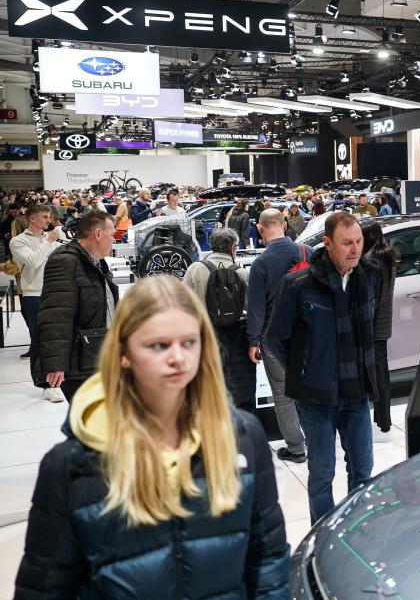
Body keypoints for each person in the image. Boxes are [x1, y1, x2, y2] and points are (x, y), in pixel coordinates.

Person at [14, 275, 290, 599]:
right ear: (124, 353)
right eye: (159, 345)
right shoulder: (70, 466)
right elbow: (43, 588)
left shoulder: (243, 438)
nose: (178, 357)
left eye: (189, 342)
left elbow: (268, 563)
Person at [266, 212, 379, 523]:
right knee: (322, 473)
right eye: (347, 243)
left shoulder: (368, 277)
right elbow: (275, 338)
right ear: (327, 243)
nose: (355, 249)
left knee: (363, 470)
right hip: (316, 398)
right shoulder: (298, 284)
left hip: (357, 393)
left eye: (358, 241)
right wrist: (304, 370)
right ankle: (323, 536)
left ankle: (357, 529)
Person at [35, 211, 118, 404]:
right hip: (79, 363)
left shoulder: (93, 261)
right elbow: (55, 315)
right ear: (98, 234)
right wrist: (56, 364)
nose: (114, 240)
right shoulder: (66, 261)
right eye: (112, 235)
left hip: (95, 356)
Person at [246, 209, 307, 464]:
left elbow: (256, 308)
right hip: (307, 333)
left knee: (283, 395)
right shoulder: (307, 252)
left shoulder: (261, 264)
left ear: (260, 229)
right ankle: (318, 438)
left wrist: (253, 341)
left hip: (273, 337)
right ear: (285, 224)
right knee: (310, 389)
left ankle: (296, 448)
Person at [183, 228, 255, 413]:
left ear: (212, 245)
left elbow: (182, 306)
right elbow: (252, 309)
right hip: (238, 339)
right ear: (233, 248)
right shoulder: (241, 273)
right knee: (242, 394)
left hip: (204, 336)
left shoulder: (195, 269)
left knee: (207, 391)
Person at [9, 205, 66, 366]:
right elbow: (33, 261)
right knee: (39, 339)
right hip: (34, 295)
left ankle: (58, 373)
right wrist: (49, 241)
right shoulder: (18, 241)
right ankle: (42, 377)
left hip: (57, 292)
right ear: (32, 218)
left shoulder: (53, 237)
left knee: (58, 336)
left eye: (50, 217)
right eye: (45, 217)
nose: (49, 220)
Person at [361, 221, 396, 437]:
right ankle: (383, 420)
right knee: (381, 373)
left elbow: (371, 299)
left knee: (378, 375)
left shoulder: (372, 260)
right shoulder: (386, 255)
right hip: (382, 325)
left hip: (374, 326)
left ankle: (383, 421)